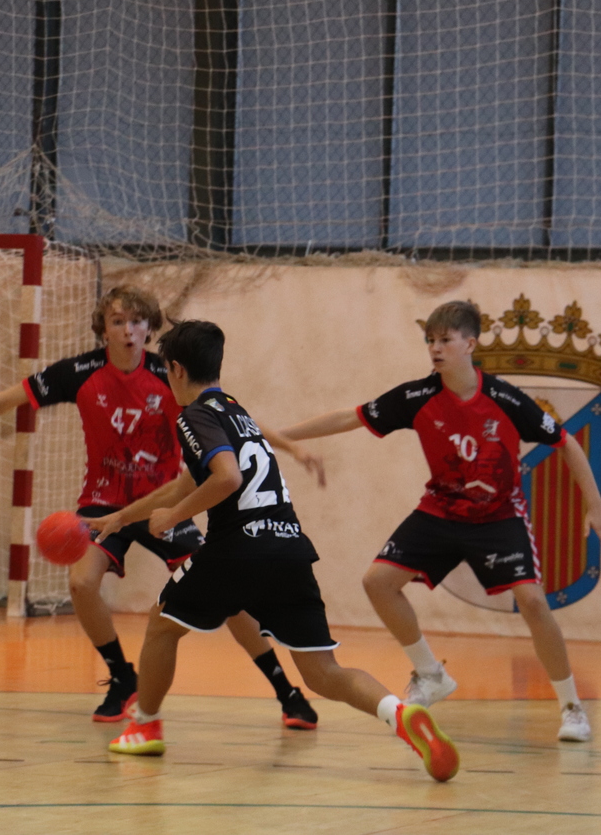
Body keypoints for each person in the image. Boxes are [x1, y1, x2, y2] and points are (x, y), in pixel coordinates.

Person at [0, 287, 320, 727]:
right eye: (118, 321)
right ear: (104, 330)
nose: (128, 330)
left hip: (161, 502)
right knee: (81, 582)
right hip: (102, 504)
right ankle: (121, 677)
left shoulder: (171, 374)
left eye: (136, 321)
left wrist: (291, 447)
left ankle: (286, 691)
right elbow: (8, 398)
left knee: (229, 599)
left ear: (149, 330)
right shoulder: (81, 372)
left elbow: (231, 417)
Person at [91, 321, 459, 781]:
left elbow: (227, 478)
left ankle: (145, 726)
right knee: (323, 672)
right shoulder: (235, 412)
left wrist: (173, 517)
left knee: (161, 624)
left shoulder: (194, 416)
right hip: (289, 547)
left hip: (238, 546)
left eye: (167, 370)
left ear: (178, 370)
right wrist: (123, 517)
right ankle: (400, 714)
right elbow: (186, 483)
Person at [280, 300, 601, 743]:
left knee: (534, 603)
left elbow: (567, 442)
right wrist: (278, 437)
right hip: (440, 510)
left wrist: (596, 507)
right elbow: (351, 416)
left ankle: (572, 707)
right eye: (430, 340)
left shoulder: (505, 399)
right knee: (378, 582)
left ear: (470, 344)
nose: (435, 348)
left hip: (498, 516)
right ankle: (430, 673)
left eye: (445, 340)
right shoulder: (418, 396)